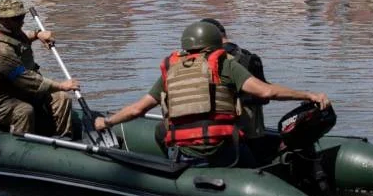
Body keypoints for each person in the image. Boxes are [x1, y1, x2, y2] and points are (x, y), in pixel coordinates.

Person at [94, 21, 329, 167]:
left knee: (161, 130)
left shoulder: (171, 68)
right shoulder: (224, 63)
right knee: (256, 162)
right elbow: (267, 91)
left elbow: (138, 109)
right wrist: (308, 95)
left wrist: (107, 121)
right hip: (224, 151)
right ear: (216, 43)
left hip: (186, 153)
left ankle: (174, 170)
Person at [0, 0, 80, 137]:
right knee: (24, 110)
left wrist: (37, 35)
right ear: (5, 20)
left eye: (22, 16)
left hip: (16, 89)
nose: (22, 21)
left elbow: (19, 38)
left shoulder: (9, 30)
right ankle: (24, 146)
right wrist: (61, 85)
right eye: (17, 18)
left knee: (62, 98)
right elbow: (25, 79)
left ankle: (64, 139)